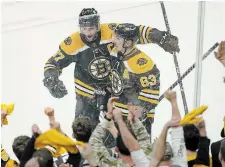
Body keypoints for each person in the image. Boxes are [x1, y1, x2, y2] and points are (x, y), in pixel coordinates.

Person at [43, 8, 180, 128]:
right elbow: (54, 62)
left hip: (113, 87)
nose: (88, 33)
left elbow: (135, 32)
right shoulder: (72, 43)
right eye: (84, 29)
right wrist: (51, 79)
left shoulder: (111, 31)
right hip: (87, 90)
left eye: (91, 28)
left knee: (117, 129)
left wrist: (160, 37)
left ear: (97, 26)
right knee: (83, 127)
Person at [109, 23, 160, 137]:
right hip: (118, 114)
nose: (113, 40)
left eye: (117, 38)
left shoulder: (142, 64)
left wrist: (140, 112)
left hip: (136, 121)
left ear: (128, 43)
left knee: (138, 153)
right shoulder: (116, 51)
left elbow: (151, 93)